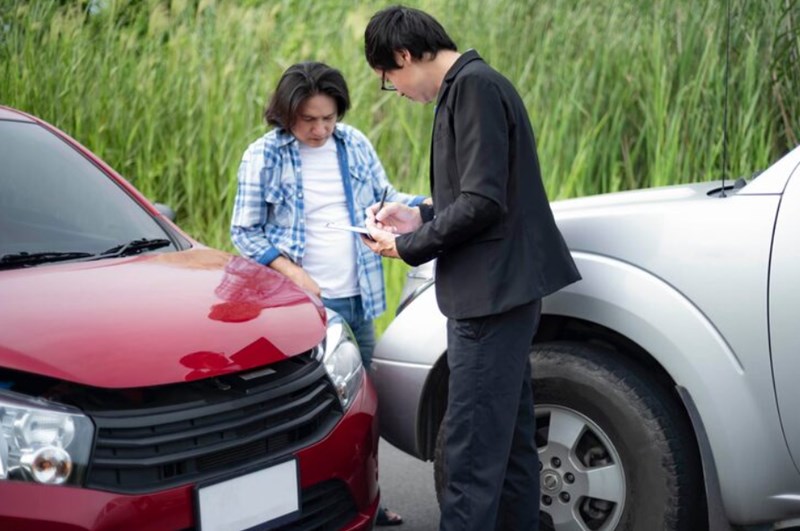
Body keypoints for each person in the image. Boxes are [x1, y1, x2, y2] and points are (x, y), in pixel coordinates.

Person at [362, 7, 581, 531]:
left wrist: (408, 244)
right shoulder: (476, 85)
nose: (398, 91)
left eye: (389, 81)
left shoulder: (473, 88)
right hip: (502, 292)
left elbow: (483, 202)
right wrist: (421, 213)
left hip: (489, 297)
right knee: (506, 447)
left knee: (470, 456)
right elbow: (482, 196)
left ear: (403, 56)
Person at [230, 61, 421, 527]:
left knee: (365, 407)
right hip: (302, 307)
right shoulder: (264, 155)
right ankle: (293, 509)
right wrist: (293, 272)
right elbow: (244, 231)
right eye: (308, 120)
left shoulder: (353, 143)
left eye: (328, 118)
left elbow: (387, 195)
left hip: (359, 299)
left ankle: (368, 499)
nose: (320, 129)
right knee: (310, 416)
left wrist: (435, 208)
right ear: (286, 114)